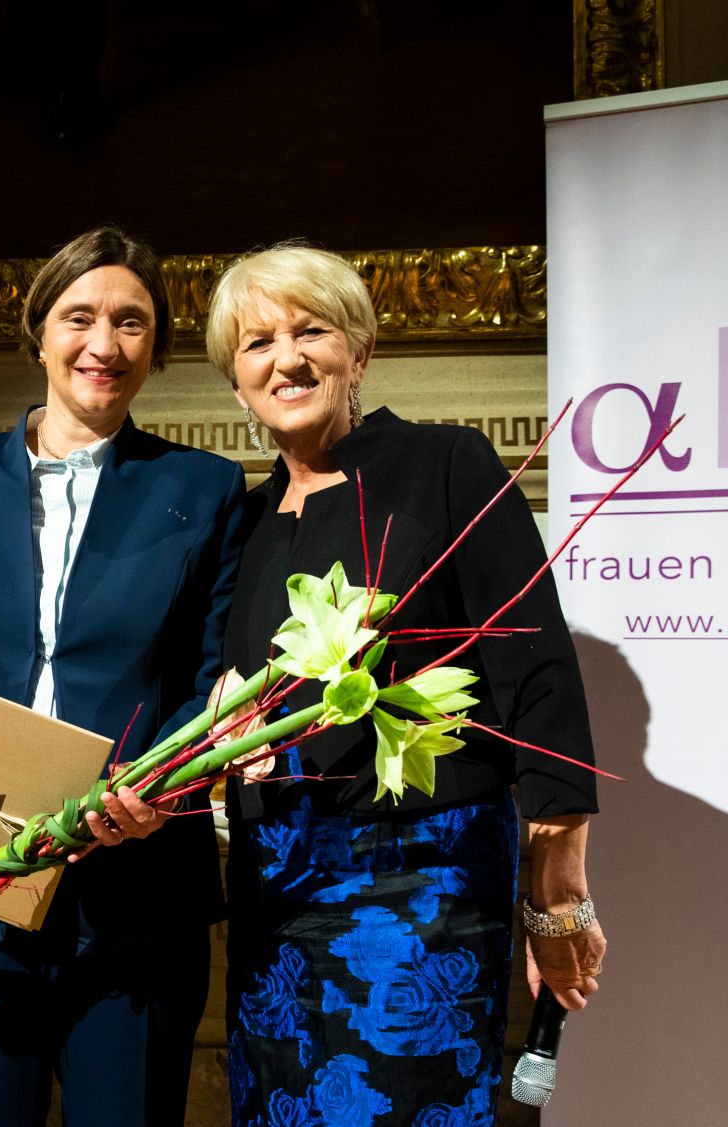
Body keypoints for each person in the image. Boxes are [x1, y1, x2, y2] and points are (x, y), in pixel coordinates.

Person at [205, 243, 606, 1124]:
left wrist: (558, 894)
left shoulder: (448, 465)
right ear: (236, 383)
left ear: (361, 348)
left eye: (311, 330)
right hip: (273, 897)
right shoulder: (245, 522)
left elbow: (536, 672)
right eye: (257, 341)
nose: (287, 357)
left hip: (420, 889)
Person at [0, 225, 247, 1127]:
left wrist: (156, 785)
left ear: (155, 348)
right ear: (39, 330)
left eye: (132, 322)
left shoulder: (206, 488)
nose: (104, 344)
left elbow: (211, 681)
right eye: (80, 317)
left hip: (137, 890)